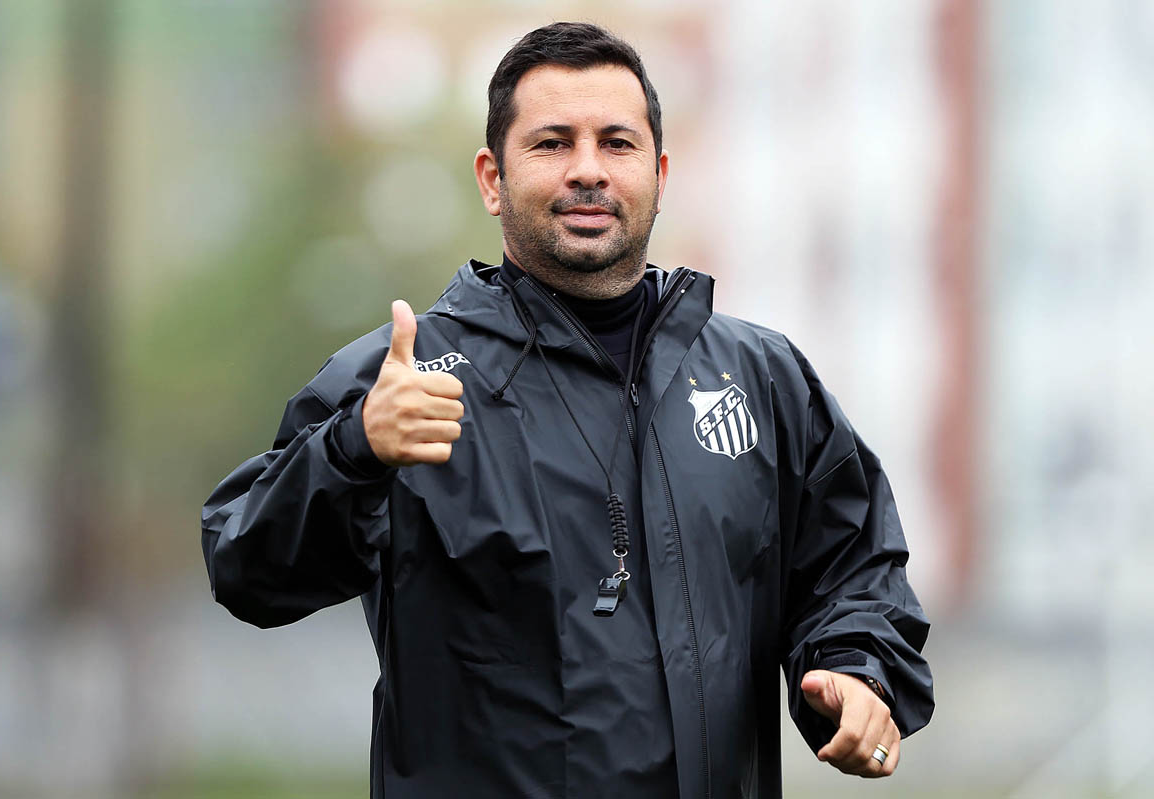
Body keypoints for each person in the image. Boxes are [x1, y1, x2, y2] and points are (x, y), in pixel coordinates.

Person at [202, 21, 933, 799]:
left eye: (616, 143)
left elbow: (852, 566)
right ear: (492, 178)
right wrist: (353, 452)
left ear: (658, 171)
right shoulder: (405, 382)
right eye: (552, 143)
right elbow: (245, 566)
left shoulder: (759, 378)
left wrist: (858, 671)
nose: (588, 170)